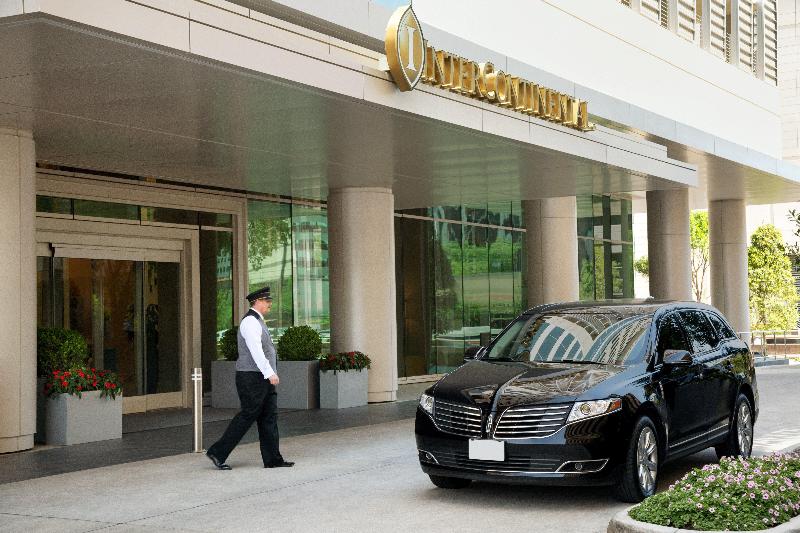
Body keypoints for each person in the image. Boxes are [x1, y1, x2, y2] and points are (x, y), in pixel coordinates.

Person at [206, 287, 294, 470]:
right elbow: (256, 351)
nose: (270, 304)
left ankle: (273, 459)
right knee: (248, 415)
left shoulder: (258, 321)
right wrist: (269, 373)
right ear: (258, 301)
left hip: (261, 378)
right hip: (252, 378)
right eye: (267, 301)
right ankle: (217, 452)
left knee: (269, 417)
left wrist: (268, 374)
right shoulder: (250, 322)